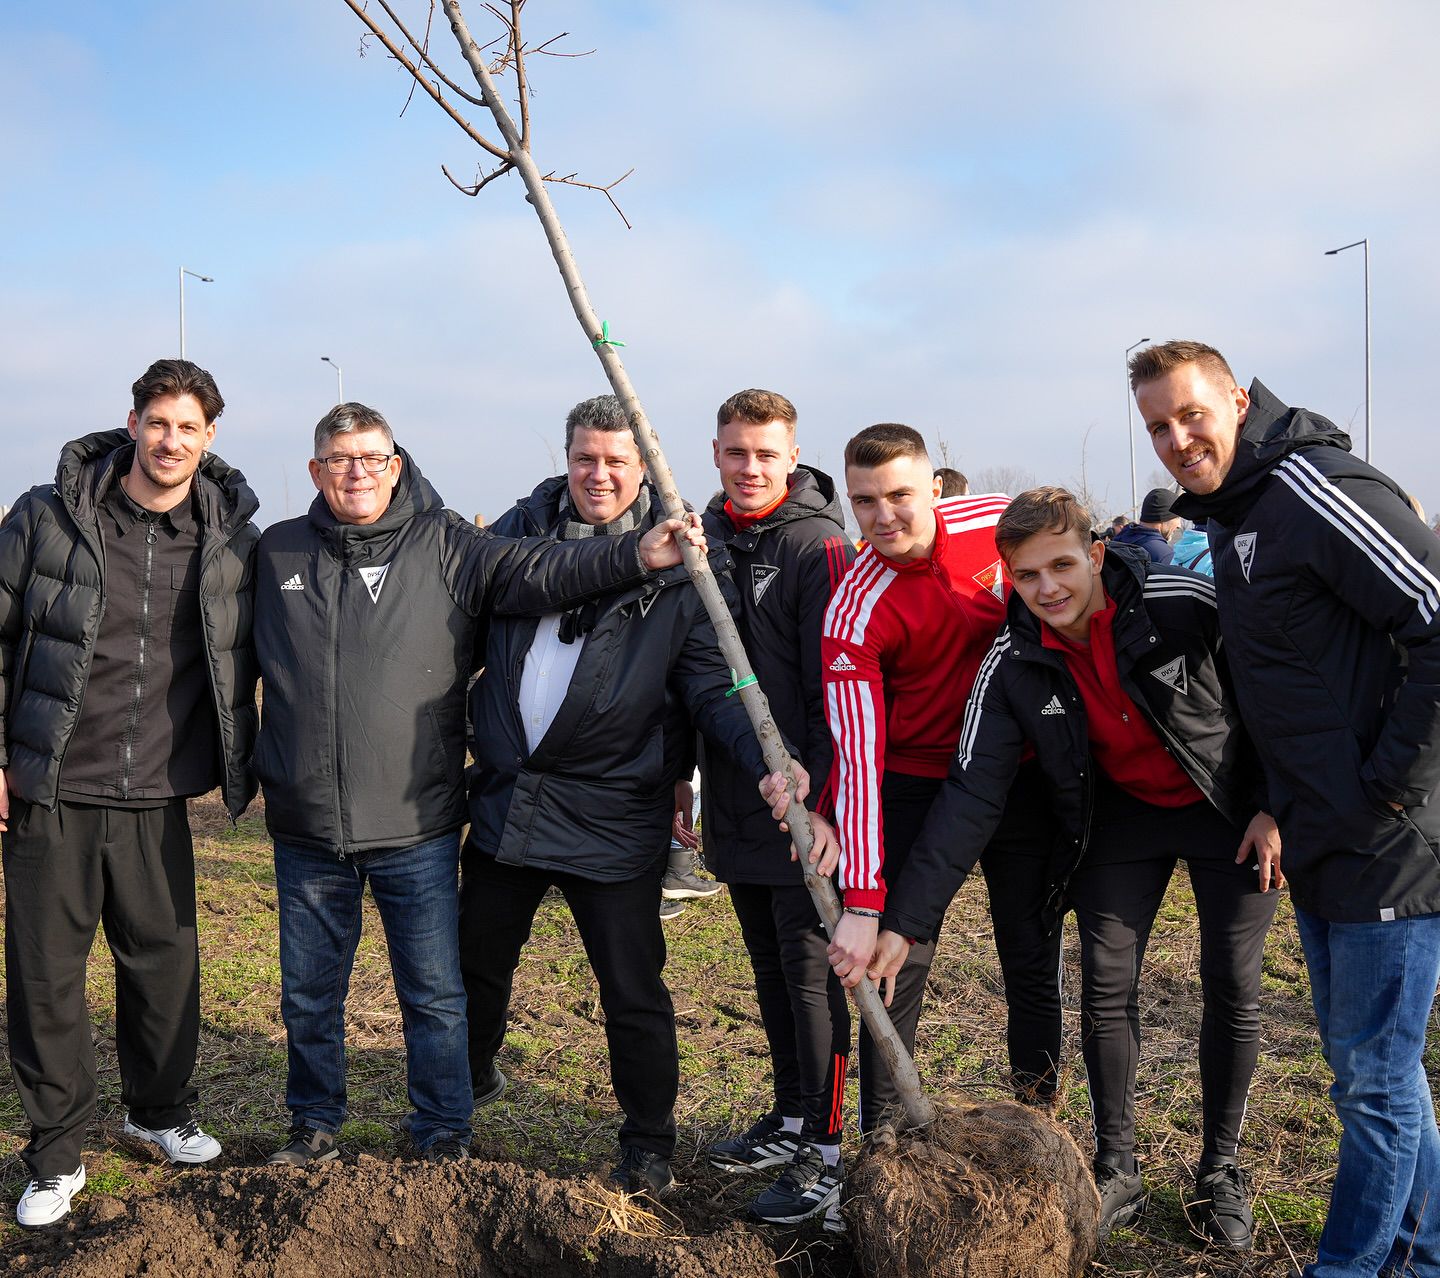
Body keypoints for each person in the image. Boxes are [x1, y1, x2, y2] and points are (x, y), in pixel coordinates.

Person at [254, 401, 699, 1168]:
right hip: (359, 821)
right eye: (339, 459)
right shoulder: (278, 552)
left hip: (463, 821)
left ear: (397, 465)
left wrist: (639, 558)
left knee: (457, 993)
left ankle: (456, 1131)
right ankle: (323, 1123)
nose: (356, 472)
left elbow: (548, 573)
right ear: (315, 470)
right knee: (338, 994)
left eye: (372, 457)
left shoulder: (451, 546)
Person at [872, 487, 1281, 1246]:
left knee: (1231, 975)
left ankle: (1220, 1168)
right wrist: (908, 921)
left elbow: (1274, 691)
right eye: (1027, 577)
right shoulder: (1013, 656)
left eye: (1062, 566)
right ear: (1008, 579)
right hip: (1121, 812)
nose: (1049, 589)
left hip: (1227, 804)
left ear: (1094, 554)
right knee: (1106, 979)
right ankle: (1117, 1162)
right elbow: (970, 793)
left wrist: (1276, 804)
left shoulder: (1181, 599)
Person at [1132, 339, 1440, 1278]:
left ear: (1236, 396)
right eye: (1158, 428)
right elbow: (1273, 685)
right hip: (1317, 833)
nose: (1179, 440)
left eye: (1191, 414)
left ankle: (1346, 1267)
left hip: (1392, 838)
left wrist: (1386, 787)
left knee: (1371, 1083)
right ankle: (1422, 1256)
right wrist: (1270, 803)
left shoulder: (1313, 487)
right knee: (1380, 1081)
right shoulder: (1231, 518)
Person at [459, 395, 808, 1199]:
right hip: (510, 802)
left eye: (618, 461)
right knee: (475, 968)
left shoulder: (686, 564)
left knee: (632, 991)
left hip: (613, 814)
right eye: (586, 458)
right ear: (566, 456)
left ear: (644, 466)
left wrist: (764, 754)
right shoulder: (517, 538)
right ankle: (463, 1088)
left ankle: (648, 1140)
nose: (600, 475)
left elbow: (710, 688)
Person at [1, 360, 259, 1227]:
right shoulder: (47, 517)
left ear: (209, 437)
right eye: (158, 423)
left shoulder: (229, 540)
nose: (170, 441)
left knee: (165, 968)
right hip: (53, 790)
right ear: (133, 423)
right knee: (46, 978)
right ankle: (55, 1153)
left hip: (158, 793)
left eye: (188, 428)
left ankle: (156, 1111)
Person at [815, 424, 1058, 1127]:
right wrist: (863, 898)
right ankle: (886, 1142)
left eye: (899, 495)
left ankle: (1036, 1125)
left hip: (1017, 773)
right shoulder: (854, 610)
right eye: (864, 502)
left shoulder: (997, 524)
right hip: (916, 781)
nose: (883, 516)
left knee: (1030, 952)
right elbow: (857, 758)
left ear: (934, 488)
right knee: (897, 962)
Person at [698, 389, 855, 1228]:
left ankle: (825, 1149)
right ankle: (793, 1113)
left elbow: (839, 685)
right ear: (715, 453)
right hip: (735, 794)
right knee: (766, 965)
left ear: (792, 456)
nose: (751, 466)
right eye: (735, 451)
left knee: (809, 980)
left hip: (805, 805)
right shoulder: (710, 537)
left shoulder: (817, 546)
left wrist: (820, 792)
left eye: (766, 452)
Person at [1112, 488, 1181, 563]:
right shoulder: (1164, 555)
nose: (1179, 525)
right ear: (1163, 517)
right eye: (1177, 517)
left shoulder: (1118, 541)